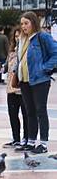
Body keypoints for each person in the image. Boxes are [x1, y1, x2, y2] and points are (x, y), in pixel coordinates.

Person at [16, 11, 57, 154]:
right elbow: (20, 59)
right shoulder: (21, 39)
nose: (23, 26)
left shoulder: (42, 37)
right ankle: (31, 141)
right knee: (29, 112)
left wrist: (44, 69)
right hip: (25, 80)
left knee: (41, 110)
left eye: (26, 23)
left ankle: (44, 143)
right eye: (22, 24)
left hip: (40, 80)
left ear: (33, 23)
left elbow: (55, 54)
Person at [3, 32, 28, 149]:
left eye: (20, 36)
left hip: (23, 89)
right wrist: (0, 67)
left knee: (26, 115)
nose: (17, 38)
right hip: (11, 88)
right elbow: (7, 68)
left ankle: (27, 138)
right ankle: (16, 139)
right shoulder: (12, 52)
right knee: (13, 114)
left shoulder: (26, 50)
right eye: (16, 36)